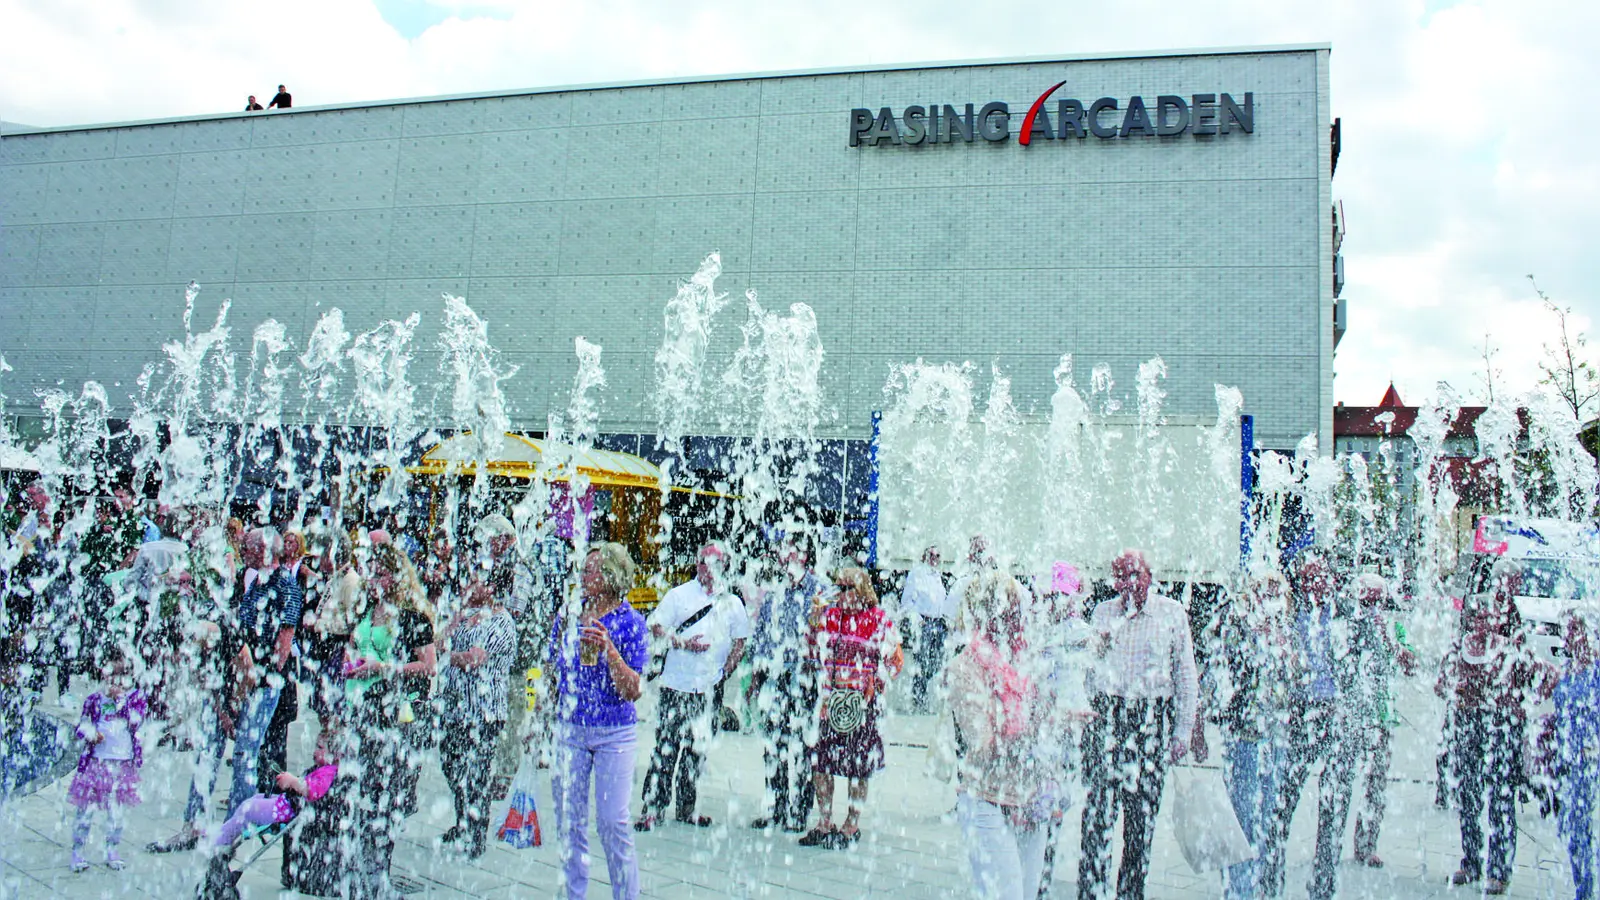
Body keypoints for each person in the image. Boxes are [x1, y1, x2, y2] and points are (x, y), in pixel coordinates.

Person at [1078, 549, 1199, 900]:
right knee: (1097, 817)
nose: (1130, 583)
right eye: (1122, 576)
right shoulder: (1103, 612)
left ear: (1149, 575)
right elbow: (1090, 667)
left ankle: (1130, 893)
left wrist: (1183, 730)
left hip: (1149, 720)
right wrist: (1087, 709)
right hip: (1108, 716)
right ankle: (1090, 891)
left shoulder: (1171, 613)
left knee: (1140, 822)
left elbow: (1185, 675)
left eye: (1136, 575)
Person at [550, 543, 647, 900]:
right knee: (569, 822)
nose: (583, 576)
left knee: (612, 822)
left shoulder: (630, 623)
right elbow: (554, 675)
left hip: (614, 732)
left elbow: (633, 690)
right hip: (571, 729)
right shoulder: (569, 616)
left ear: (610, 578)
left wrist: (609, 650)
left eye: (591, 571)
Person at [1260, 554, 1358, 900]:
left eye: (1317, 576)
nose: (1311, 583)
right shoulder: (1290, 612)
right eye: (1305, 578)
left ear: (1331, 578)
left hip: (1337, 714)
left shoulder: (1349, 612)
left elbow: (1363, 665)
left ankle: (1323, 887)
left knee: (1333, 807)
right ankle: (1269, 883)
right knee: (1281, 801)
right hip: (1301, 715)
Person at [1438, 564, 1540, 895]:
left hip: (1502, 722)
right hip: (1470, 721)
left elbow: (1528, 676)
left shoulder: (1517, 623)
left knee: (1500, 795)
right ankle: (1471, 860)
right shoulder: (1466, 635)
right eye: (1477, 618)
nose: (1483, 622)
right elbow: (1444, 682)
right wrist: (1459, 687)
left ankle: (1499, 869)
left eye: (1513, 582)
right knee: (1468, 792)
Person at [635, 542, 750, 831]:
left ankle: (687, 807)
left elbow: (741, 640)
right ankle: (652, 808)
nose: (708, 570)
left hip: (709, 689)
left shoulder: (733, 602)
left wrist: (726, 670)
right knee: (666, 747)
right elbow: (657, 626)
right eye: (703, 563)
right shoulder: (679, 595)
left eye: (715, 564)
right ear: (696, 564)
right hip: (677, 684)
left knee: (697, 750)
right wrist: (683, 643)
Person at [949, 570, 1050, 900]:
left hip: (1030, 798)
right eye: (1009, 608)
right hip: (986, 798)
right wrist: (1033, 733)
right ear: (988, 612)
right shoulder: (967, 666)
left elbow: (1044, 718)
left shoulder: (1025, 659)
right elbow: (982, 744)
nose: (1017, 616)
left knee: (1027, 893)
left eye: (1018, 607)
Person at [799, 566, 903, 849]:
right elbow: (811, 650)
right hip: (830, 703)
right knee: (821, 763)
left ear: (862, 591)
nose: (841, 593)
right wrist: (814, 620)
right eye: (839, 587)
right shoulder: (830, 615)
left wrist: (875, 683)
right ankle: (824, 821)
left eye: (847, 588)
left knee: (858, 766)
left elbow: (895, 661)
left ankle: (851, 823)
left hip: (861, 705)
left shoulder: (878, 619)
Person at [1209, 571, 1294, 900]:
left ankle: (1262, 889)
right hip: (1244, 735)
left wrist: (1282, 645)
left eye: (1275, 591)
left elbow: (1293, 679)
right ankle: (1238, 891)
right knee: (1242, 817)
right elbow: (1223, 673)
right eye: (1264, 590)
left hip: (1276, 735)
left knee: (1269, 815)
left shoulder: (1284, 630)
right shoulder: (1238, 625)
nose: (1269, 597)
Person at [435, 569, 518, 858]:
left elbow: (474, 659)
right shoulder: (469, 615)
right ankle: (462, 821)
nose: (468, 585)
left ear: (492, 587)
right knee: (451, 764)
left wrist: (444, 656)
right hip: (456, 708)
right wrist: (455, 617)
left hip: (484, 713)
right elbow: (437, 640)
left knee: (477, 774)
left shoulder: (501, 622)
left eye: (475, 581)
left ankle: (476, 834)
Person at [747, 544, 823, 832]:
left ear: (805, 557)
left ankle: (800, 810)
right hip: (775, 678)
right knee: (773, 745)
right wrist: (755, 677)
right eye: (783, 555)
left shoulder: (819, 591)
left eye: (792, 554)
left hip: (804, 679)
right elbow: (762, 635)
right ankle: (775, 806)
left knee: (804, 746)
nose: (785, 559)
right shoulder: (775, 592)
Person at [1347, 573, 1417, 869]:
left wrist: (1390, 640)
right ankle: (1332, 839)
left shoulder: (1393, 625)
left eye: (1378, 600)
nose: (1372, 607)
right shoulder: (1349, 624)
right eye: (1367, 600)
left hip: (1382, 717)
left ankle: (1366, 845)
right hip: (1352, 717)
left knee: (1375, 785)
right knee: (1342, 782)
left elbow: (1411, 664)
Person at [66, 655, 147, 873]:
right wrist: (91, 734)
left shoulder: (136, 699)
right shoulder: (95, 700)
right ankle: (77, 850)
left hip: (122, 765)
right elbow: (81, 725)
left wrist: (121, 701)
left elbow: (137, 721)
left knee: (116, 811)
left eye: (121, 681)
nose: (115, 686)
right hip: (96, 763)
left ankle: (112, 848)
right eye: (111, 680)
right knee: (85, 811)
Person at [1550, 608, 1600, 900]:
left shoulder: (1595, 670)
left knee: (1578, 824)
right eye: (1565, 630)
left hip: (1588, 757)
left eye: (1573, 629)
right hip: (1565, 757)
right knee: (1568, 826)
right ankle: (1583, 883)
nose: (1568, 636)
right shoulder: (1567, 669)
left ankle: (1586, 890)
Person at [901, 546, 949, 713]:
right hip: (925, 624)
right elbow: (906, 602)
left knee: (936, 661)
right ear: (925, 556)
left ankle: (922, 689)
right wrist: (918, 620)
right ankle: (918, 697)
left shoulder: (937, 575)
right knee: (922, 661)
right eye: (932, 555)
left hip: (938, 624)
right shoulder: (917, 574)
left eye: (938, 555)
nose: (935, 558)